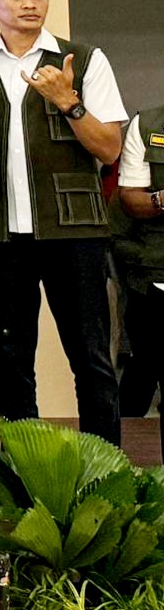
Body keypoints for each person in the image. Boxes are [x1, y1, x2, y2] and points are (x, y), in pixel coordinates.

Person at [0, 0, 128, 444]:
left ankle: (102, 468)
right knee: (11, 359)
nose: (30, 4)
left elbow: (109, 148)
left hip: (76, 233)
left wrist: (69, 102)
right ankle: (21, 469)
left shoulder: (83, 59)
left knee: (91, 357)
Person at [109, 94, 164, 424]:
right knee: (145, 367)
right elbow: (128, 206)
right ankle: (119, 447)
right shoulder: (148, 125)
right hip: (152, 279)